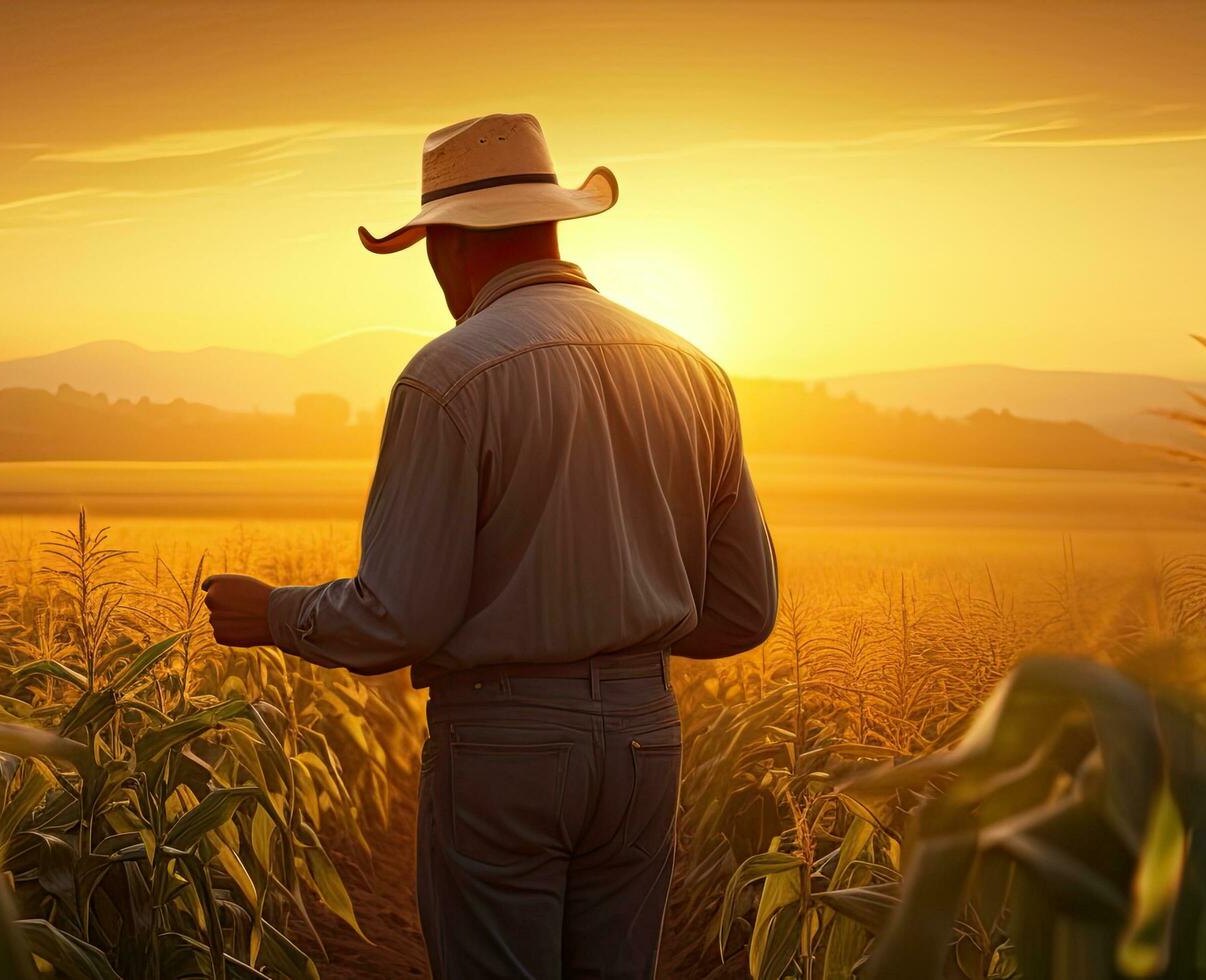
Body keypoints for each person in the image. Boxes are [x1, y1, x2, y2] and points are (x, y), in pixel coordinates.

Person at [201, 113, 776, 979]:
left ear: (445, 247)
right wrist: (617, 634)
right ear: (553, 222)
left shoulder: (448, 375)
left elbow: (400, 616)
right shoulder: (691, 368)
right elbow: (742, 610)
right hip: (644, 737)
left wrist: (272, 613)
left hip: (502, 740)